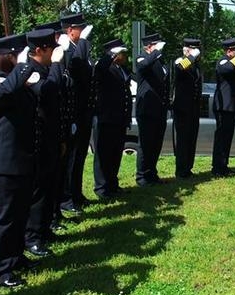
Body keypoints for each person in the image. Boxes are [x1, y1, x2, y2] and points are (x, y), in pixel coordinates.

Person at [0, 33, 38, 289]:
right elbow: (2, 94)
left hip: (21, 159)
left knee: (20, 213)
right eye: (21, 56)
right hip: (2, 163)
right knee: (4, 218)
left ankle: (15, 257)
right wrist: (24, 66)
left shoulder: (16, 81)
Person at [23, 29, 66, 258]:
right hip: (39, 140)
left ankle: (44, 228)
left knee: (50, 187)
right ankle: (32, 237)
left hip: (51, 137)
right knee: (39, 191)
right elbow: (49, 91)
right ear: (39, 50)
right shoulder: (33, 71)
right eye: (51, 50)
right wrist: (57, 66)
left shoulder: (45, 69)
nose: (54, 54)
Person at [59, 13, 92, 214]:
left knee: (79, 156)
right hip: (72, 111)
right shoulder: (66, 50)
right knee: (69, 159)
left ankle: (76, 193)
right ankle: (67, 197)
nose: (82, 31)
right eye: (79, 28)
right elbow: (75, 67)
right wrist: (83, 43)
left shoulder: (80, 48)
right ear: (70, 30)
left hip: (83, 109)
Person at [93, 38, 133, 198]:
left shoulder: (123, 69)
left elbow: (126, 94)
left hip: (120, 118)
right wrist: (109, 55)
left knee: (116, 153)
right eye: (121, 52)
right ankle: (102, 188)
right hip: (106, 117)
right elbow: (99, 70)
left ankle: (112, 184)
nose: (124, 55)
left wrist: (128, 116)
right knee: (104, 154)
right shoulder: (104, 67)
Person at [134, 32, 170, 186]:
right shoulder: (141, 57)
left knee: (156, 143)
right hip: (147, 109)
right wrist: (155, 52)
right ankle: (142, 176)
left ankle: (152, 173)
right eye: (156, 45)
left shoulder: (160, 61)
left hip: (159, 108)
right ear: (149, 46)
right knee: (146, 143)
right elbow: (143, 65)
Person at [212, 38, 235, 177]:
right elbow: (227, 69)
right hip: (223, 107)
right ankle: (217, 168)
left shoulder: (233, 62)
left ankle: (223, 165)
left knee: (227, 138)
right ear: (229, 51)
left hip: (231, 106)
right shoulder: (223, 61)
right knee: (221, 138)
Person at [172, 38, 203, 178]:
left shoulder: (196, 66)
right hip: (182, 109)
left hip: (193, 108)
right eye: (193, 50)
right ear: (186, 50)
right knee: (183, 140)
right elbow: (179, 69)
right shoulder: (180, 61)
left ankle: (188, 168)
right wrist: (190, 56)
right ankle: (181, 170)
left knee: (191, 139)